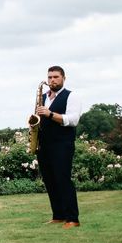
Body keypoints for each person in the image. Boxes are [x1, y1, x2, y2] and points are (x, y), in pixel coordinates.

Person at [35, 66, 83, 229]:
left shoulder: (72, 96)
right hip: (44, 145)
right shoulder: (43, 97)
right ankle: (58, 215)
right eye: (49, 77)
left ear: (63, 78)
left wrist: (49, 114)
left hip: (62, 145)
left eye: (55, 77)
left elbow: (73, 120)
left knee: (63, 180)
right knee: (50, 180)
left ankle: (73, 219)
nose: (52, 80)